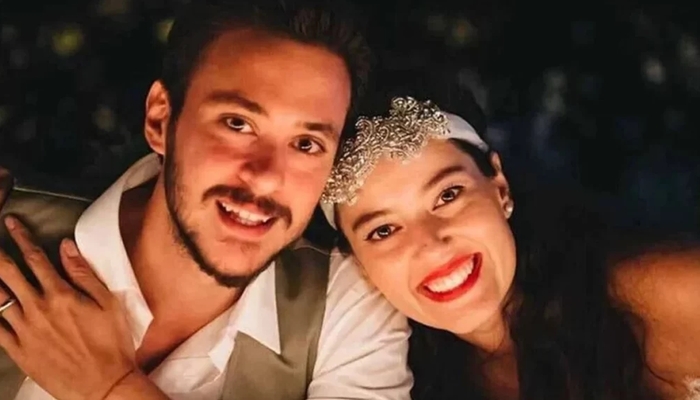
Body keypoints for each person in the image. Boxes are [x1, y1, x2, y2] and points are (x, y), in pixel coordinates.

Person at [0, 1, 413, 399]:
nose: (266, 177)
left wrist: (110, 388)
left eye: (306, 144)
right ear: (161, 120)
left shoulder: (344, 306)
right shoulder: (9, 223)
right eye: (238, 123)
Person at [320, 95, 700, 400]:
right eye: (384, 230)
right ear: (358, 264)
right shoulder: (384, 381)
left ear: (499, 188)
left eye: (448, 195)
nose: (432, 245)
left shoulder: (657, 293)